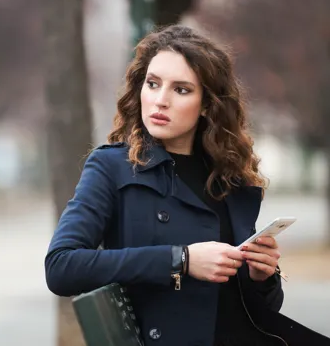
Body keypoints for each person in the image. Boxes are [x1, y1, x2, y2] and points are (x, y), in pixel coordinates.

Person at [44, 25, 329, 346]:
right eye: (152, 84)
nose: (160, 101)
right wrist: (181, 260)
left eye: (181, 90)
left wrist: (262, 277)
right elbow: (62, 267)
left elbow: (252, 308)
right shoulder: (113, 167)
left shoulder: (231, 180)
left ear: (207, 104)